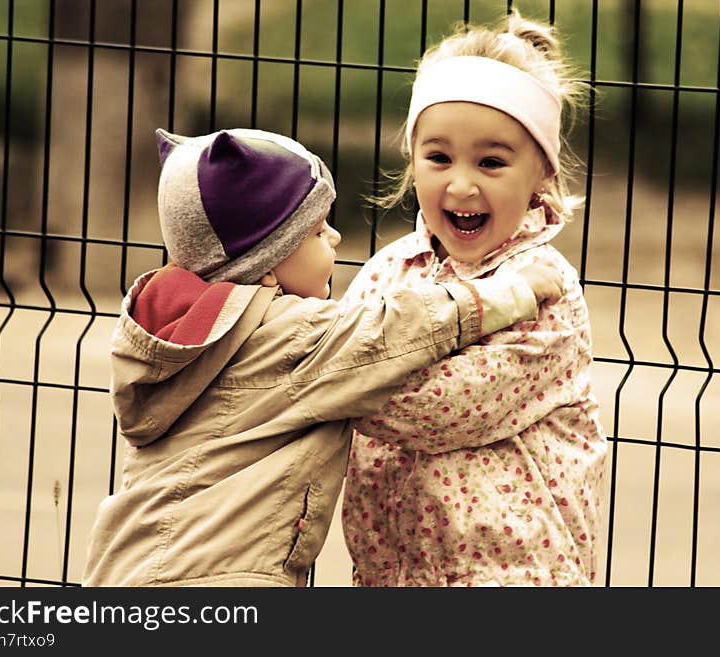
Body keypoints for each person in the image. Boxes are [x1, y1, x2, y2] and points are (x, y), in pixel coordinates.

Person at [81, 126, 564, 587]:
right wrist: (511, 292)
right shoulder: (289, 336)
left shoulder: (178, 333)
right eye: (316, 231)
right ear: (264, 264)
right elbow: (395, 331)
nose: (334, 238)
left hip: (126, 567)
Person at [339, 10, 608, 586]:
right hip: (393, 574)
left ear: (540, 173)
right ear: (412, 162)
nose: (461, 185)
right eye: (438, 158)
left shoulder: (544, 288)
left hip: (514, 573)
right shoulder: (390, 271)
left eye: (491, 162)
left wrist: (331, 387)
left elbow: (443, 408)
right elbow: (338, 353)